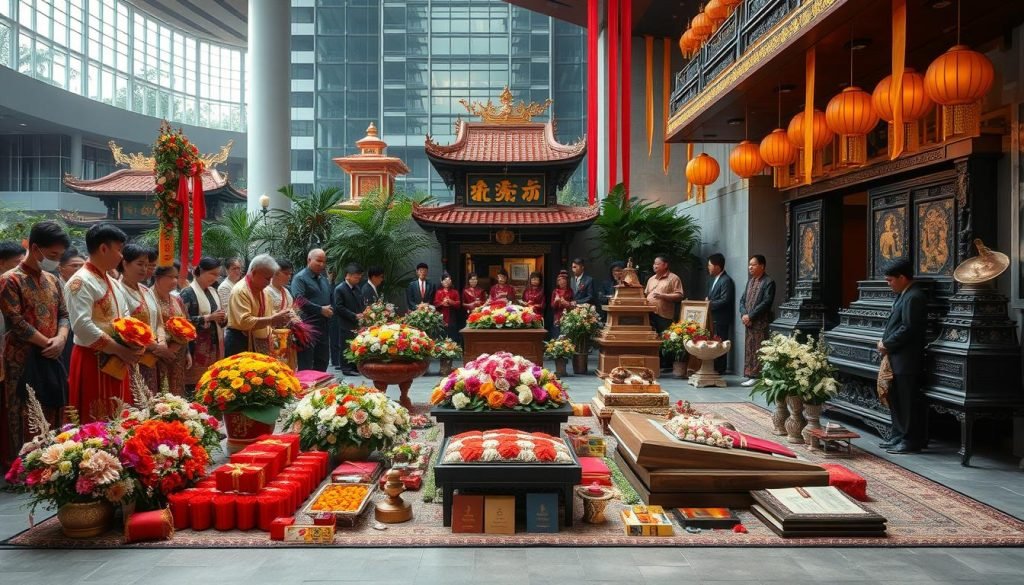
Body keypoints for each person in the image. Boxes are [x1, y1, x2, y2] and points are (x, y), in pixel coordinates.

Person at [0, 221, 70, 466]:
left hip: (52, 352)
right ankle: (21, 466)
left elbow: (64, 313)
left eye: (60, 255)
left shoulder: (53, 279)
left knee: (53, 404)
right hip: (22, 356)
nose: (55, 259)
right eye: (52, 254)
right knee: (22, 408)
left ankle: (52, 462)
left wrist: (60, 339)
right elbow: (15, 321)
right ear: (35, 247)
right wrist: (47, 342)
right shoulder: (10, 280)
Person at [65, 224, 140, 423]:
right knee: (96, 419)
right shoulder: (81, 281)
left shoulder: (111, 280)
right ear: (103, 248)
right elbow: (81, 325)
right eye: (119, 250)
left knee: (118, 413)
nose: (122, 256)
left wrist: (134, 339)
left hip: (116, 357)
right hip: (93, 357)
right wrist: (117, 348)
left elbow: (124, 315)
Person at [877, 259, 928, 454]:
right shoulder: (902, 295)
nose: (888, 284)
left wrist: (887, 344)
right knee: (897, 398)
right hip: (897, 358)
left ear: (902, 277)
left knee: (908, 402)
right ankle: (898, 434)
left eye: (890, 280)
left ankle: (910, 440)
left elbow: (909, 328)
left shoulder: (914, 296)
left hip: (907, 359)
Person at [119, 244, 173, 393]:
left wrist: (161, 342)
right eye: (139, 264)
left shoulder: (146, 290)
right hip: (135, 357)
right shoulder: (119, 290)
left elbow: (159, 322)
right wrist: (156, 347)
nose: (144, 269)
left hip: (154, 358)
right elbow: (125, 326)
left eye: (147, 265)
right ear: (124, 263)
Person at [225, 254, 291, 357]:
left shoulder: (264, 291)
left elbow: (268, 313)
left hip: (261, 344)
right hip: (240, 343)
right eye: (267, 278)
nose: (269, 282)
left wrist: (281, 316)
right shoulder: (240, 290)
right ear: (254, 272)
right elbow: (245, 322)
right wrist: (272, 319)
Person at [180, 257, 226, 397]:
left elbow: (218, 317)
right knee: (195, 385)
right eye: (212, 274)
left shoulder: (212, 291)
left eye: (217, 274)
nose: (215, 278)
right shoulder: (187, 292)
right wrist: (209, 317)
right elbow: (183, 321)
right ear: (200, 271)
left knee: (211, 382)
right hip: (196, 346)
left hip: (213, 345)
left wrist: (222, 317)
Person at [291, 249, 333, 372]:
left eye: (324, 262)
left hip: (323, 326)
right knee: (306, 363)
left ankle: (321, 390)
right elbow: (299, 300)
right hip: (307, 327)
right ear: (309, 260)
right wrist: (320, 310)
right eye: (318, 261)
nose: (322, 264)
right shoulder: (300, 278)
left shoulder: (323, 279)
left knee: (323, 361)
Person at [152, 263, 191, 394]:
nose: (175, 281)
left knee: (177, 394)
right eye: (171, 277)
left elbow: (187, 326)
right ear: (157, 277)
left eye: (176, 277)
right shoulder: (148, 297)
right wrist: (165, 349)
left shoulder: (177, 299)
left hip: (177, 355)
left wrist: (186, 352)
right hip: (157, 356)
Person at [739, 255, 776, 387]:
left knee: (759, 348)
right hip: (748, 322)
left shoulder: (768, 282)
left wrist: (751, 316)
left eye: (753, 264)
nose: (750, 267)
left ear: (762, 266)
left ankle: (758, 376)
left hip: (760, 323)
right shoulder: (750, 281)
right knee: (749, 348)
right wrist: (744, 314)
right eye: (750, 264)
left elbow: (766, 303)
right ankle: (750, 374)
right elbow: (742, 300)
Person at [645, 254, 685, 370]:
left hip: (664, 314)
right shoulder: (651, 279)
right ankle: (654, 362)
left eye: (657, 263)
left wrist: (663, 296)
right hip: (649, 313)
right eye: (654, 263)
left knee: (665, 338)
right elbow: (646, 294)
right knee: (652, 338)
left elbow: (679, 295)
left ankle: (666, 364)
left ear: (665, 265)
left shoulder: (673, 278)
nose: (655, 266)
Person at [265, 258, 298, 370]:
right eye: (286, 273)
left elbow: (291, 308)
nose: (289, 277)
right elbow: (266, 313)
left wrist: (295, 317)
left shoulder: (286, 291)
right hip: (273, 335)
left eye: (290, 274)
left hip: (287, 334)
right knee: (277, 366)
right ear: (275, 273)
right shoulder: (266, 291)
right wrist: (284, 315)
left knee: (289, 365)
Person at [334, 263, 366, 377]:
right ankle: (346, 368)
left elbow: (360, 302)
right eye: (356, 277)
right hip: (345, 322)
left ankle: (354, 366)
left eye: (359, 278)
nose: (358, 280)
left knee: (354, 344)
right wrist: (353, 315)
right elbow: (339, 307)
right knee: (345, 345)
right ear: (348, 276)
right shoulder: (340, 289)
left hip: (356, 322)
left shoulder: (357, 288)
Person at [706, 253, 735, 374]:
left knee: (720, 342)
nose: (708, 267)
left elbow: (725, 300)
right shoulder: (716, 279)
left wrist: (709, 304)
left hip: (721, 318)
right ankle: (716, 367)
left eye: (710, 265)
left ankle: (720, 369)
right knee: (715, 342)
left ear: (717, 266)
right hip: (714, 317)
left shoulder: (726, 280)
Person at [59, 247, 86, 371]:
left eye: (82, 266)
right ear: (61, 268)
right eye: (74, 266)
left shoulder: (85, 287)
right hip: (62, 337)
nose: (79, 269)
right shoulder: (55, 286)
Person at [433, 272, 461, 339]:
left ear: (451, 281)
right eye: (445, 280)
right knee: (442, 336)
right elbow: (435, 304)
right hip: (441, 317)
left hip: (452, 316)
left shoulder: (455, 292)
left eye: (448, 280)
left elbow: (458, 304)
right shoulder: (438, 292)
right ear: (442, 282)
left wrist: (451, 301)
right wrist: (442, 303)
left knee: (452, 335)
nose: (446, 282)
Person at [218, 256, 243, 323]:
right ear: (227, 270)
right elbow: (227, 310)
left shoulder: (241, 283)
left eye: (239, 268)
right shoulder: (224, 287)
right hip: (232, 324)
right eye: (234, 268)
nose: (237, 271)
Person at [550, 270, 574, 338]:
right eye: (559, 281)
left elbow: (573, 304)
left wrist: (566, 303)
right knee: (556, 334)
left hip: (567, 315)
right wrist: (556, 301)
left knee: (566, 335)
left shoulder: (570, 291)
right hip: (557, 316)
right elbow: (552, 306)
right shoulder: (555, 291)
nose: (561, 282)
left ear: (566, 281)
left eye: (563, 281)